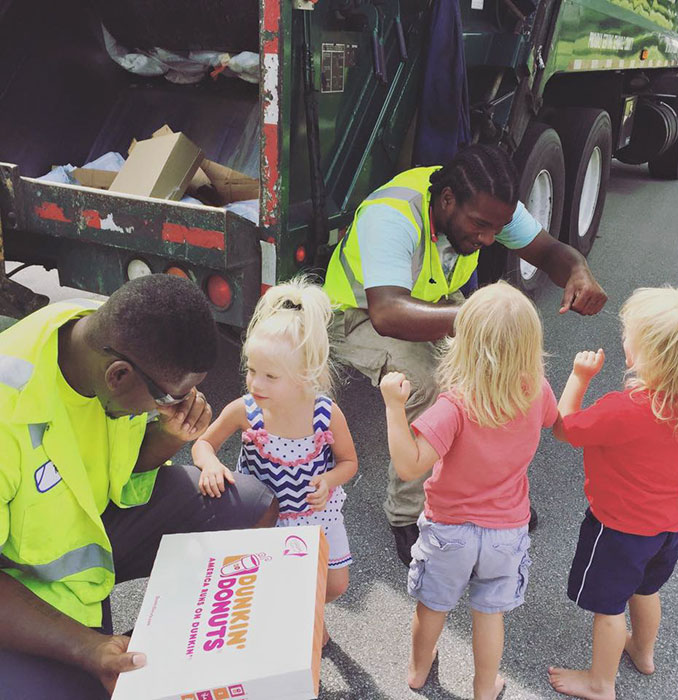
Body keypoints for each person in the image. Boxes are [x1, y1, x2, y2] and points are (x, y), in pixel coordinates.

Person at [324, 143, 607, 565]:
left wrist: (579, 269)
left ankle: (485, 497)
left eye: (498, 228)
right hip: (357, 314)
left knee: (495, 370)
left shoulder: (485, 203)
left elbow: (549, 252)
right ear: (448, 200)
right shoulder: (393, 215)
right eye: (481, 227)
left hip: (432, 302)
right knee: (426, 381)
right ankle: (408, 514)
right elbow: (387, 312)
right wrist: (481, 316)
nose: (490, 239)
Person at [0, 274, 278, 699]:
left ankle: (172, 655)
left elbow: (122, 474)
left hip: (93, 532)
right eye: (169, 397)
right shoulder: (7, 410)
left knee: (253, 506)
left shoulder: (98, 335)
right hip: (26, 587)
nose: (178, 404)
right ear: (119, 376)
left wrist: (169, 436)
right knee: (87, 688)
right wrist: (87, 648)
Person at [380, 281, 558, 699]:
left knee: (433, 606)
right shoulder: (537, 393)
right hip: (506, 532)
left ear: (464, 343)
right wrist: (582, 379)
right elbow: (561, 423)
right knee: (489, 614)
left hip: (449, 531)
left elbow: (409, 464)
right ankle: (483, 689)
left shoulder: (456, 405)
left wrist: (393, 406)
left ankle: (418, 672)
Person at [548, 287, 678, 700]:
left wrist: (578, 377)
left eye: (628, 335)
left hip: (619, 531)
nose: (623, 340)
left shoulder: (623, 408)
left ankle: (600, 682)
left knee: (609, 609)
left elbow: (564, 428)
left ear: (648, 353)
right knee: (646, 591)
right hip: (669, 528)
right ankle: (643, 651)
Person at [192, 278, 358, 645]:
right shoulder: (245, 411)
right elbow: (203, 443)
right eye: (252, 370)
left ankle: (304, 609)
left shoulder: (325, 414)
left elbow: (349, 462)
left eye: (270, 376)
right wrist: (211, 465)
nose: (255, 383)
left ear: (305, 376)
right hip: (264, 518)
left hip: (316, 514)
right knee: (272, 580)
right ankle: (297, 628)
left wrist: (329, 481)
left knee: (335, 583)